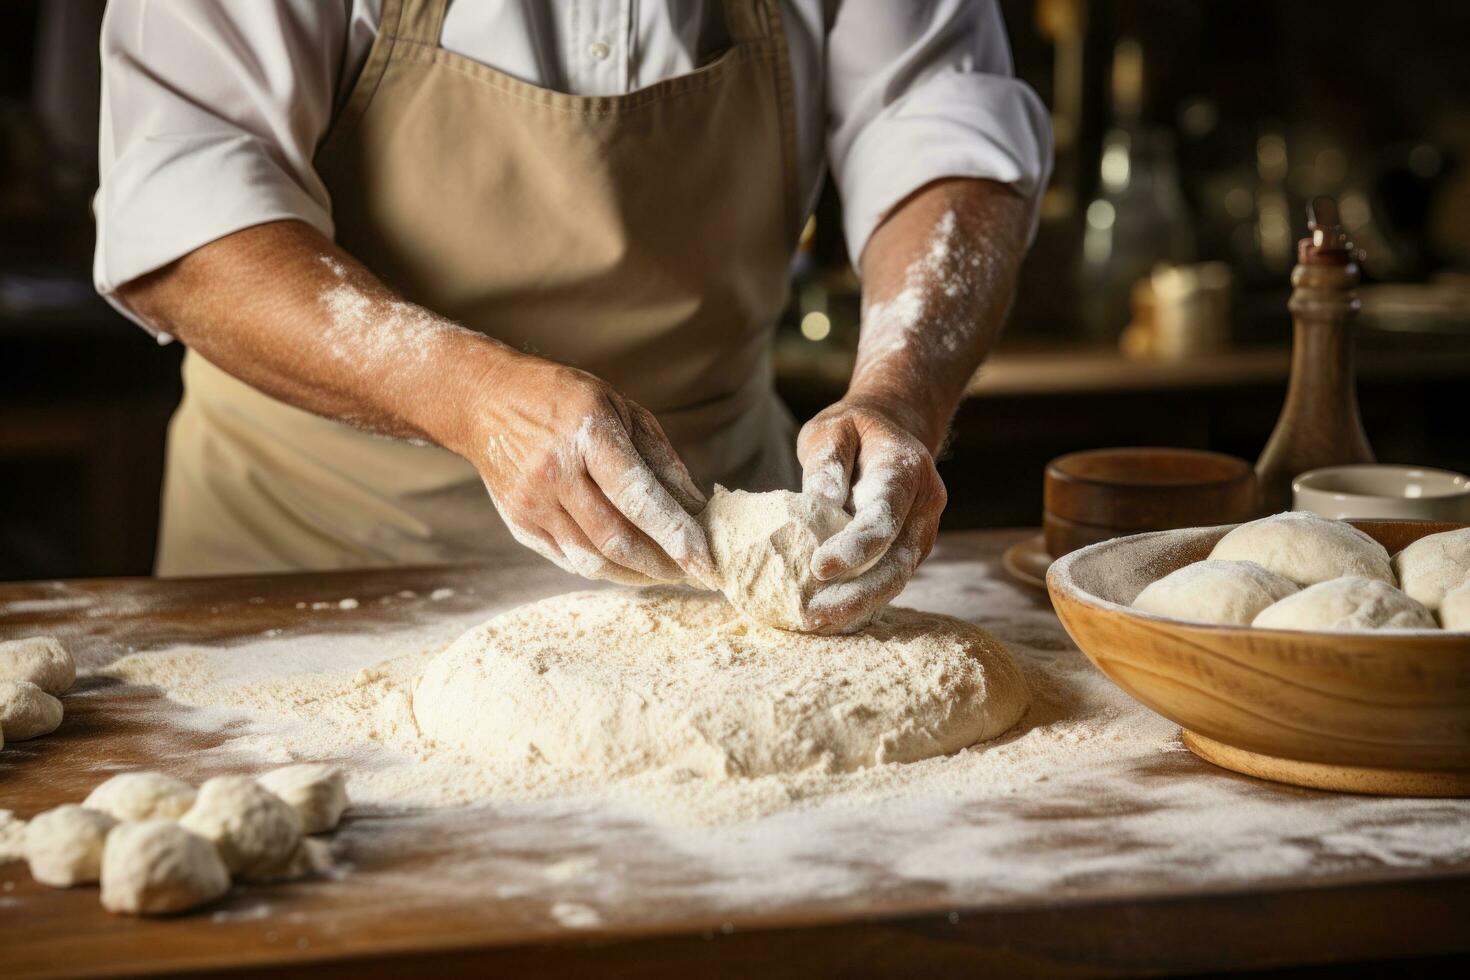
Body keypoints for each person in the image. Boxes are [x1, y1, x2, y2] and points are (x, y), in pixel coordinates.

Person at [94, 1, 1050, 632]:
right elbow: (184, 205)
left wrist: (901, 393)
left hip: (715, 580)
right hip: (311, 561)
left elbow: (938, 123)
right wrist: (472, 397)